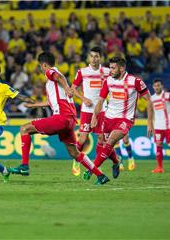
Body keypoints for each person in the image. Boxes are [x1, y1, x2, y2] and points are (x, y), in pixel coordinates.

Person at [9, 52, 110, 185]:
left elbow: (57, 77)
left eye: (41, 66)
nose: (41, 68)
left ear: (44, 64)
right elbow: (52, 101)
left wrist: (68, 88)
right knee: (75, 153)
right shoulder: (56, 84)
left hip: (61, 117)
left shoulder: (51, 72)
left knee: (24, 129)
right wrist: (34, 105)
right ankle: (100, 175)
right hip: (69, 120)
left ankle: (24, 166)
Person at [84, 56, 154, 180]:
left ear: (122, 68)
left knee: (110, 141)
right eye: (110, 67)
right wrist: (95, 116)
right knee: (102, 142)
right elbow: (100, 100)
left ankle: (92, 169)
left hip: (125, 119)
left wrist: (150, 122)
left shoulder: (135, 81)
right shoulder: (108, 81)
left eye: (113, 68)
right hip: (108, 117)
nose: (110, 70)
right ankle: (116, 162)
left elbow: (149, 100)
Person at [71, 46, 113, 176]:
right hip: (87, 110)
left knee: (102, 138)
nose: (94, 59)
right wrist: (83, 98)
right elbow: (73, 89)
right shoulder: (82, 72)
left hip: (102, 110)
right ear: (88, 57)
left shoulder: (107, 71)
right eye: (92, 56)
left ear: (101, 58)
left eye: (97, 56)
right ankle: (76, 162)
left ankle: (95, 165)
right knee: (83, 138)